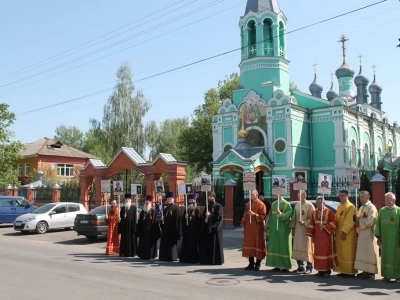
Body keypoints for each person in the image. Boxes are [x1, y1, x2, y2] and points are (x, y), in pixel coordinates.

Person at [306, 196, 338, 278]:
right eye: (318, 203)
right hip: (317, 237)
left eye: (320, 203)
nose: (319, 204)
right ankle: (320, 270)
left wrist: (325, 226)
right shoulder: (314, 212)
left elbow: (334, 222)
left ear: (324, 203)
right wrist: (312, 235)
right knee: (318, 253)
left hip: (326, 237)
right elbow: (312, 224)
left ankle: (327, 271)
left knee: (326, 253)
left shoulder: (329, 212)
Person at [374, 192, 400, 282]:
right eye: (385, 199)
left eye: (388, 199)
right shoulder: (382, 210)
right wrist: (378, 237)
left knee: (396, 257)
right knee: (385, 256)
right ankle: (386, 275)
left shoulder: (399, 211)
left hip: (396, 239)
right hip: (385, 239)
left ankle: (398, 276)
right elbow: (378, 224)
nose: (386, 201)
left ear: (393, 200)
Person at [354, 190, 379, 280]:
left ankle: (371, 272)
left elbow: (370, 221)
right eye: (360, 196)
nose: (360, 198)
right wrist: (356, 219)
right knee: (363, 252)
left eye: (362, 196)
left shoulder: (372, 207)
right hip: (362, 234)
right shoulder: (361, 207)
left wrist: (359, 220)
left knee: (369, 252)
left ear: (368, 197)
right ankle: (365, 270)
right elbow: (359, 218)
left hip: (369, 234)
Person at [241, 190, 267, 271]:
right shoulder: (248, 204)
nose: (251, 196)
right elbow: (245, 215)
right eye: (250, 194)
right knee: (250, 244)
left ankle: (258, 264)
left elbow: (263, 216)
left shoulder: (261, 204)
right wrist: (244, 225)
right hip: (249, 228)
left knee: (258, 244)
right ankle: (251, 263)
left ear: (257, 195)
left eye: (253, 194)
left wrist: (254, 214)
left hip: (258, 228)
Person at [265, 194, 292, 272]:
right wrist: (269, 227)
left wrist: (280, 215)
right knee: (275, 246)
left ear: (281, 194)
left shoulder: (287, 204)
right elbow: (270, 217)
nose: (274, 194)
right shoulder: (274, 204)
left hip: (283, 230)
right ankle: (277, 265)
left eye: (276, 193)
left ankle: (285, 266)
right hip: (274, 230)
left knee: (283, 247)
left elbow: (288, 216)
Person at [334, 190, 357, 277]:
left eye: (343, 195)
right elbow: (336, 218)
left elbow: (350, 221)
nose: (341, 197)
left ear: (347, 196)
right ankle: (342, 270)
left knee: (348, 252)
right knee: (341, 251)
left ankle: (349, 271)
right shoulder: (339, 206)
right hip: (339, 231)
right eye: (340, 195)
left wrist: (344, 232)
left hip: (348, 233)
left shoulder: (351, 206)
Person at [291, 190, 315, 274]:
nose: (298, 196)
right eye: (298, 195)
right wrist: (293, 228)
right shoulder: (297, 206)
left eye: (300, 195)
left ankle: (309, 267)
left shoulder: (310, 205)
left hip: (306, 230)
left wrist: (305, 222)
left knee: (307, 248)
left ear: (304, 196)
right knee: (298, 247)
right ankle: (300, 266)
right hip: (298, 230)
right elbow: (294, 217)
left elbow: (312, 218)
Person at [199, 191, 224, 265]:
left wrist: (210, 216)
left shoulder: (218, 206)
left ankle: (215, 261)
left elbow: (219, 218)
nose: (209, 198)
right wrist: (205, 219)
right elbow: (203, 217)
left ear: (214, 197)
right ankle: (207, 260)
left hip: (214, 229)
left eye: (211, 196)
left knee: (215, 245)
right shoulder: (207, 206)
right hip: (207, 229)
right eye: (209, 196)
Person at [159, 192, 181, 261]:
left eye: (170, 199)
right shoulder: (166, 208)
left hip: (172, 229)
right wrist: (162, 220)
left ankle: (172, 257)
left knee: (172, 245)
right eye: (168, 199)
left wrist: (177, 230)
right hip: (166, 230)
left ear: (173, 199)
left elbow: (178, 220)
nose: (169, 200)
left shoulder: (176, 208)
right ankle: (165, 257)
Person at [180, 194, 202, 263]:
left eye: (192, 200)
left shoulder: (197, 210)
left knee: (193, 246)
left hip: (194, 232)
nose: (191, 201)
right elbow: (182, 221)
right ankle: (185, 258)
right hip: (187, 231)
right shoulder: (187, 210)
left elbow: (199, 222)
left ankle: (194, 259)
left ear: (195, 201)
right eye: (190, 200)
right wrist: (185, 218)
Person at [137, 195, 158, 259]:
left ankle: (150, 255)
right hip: (143, 230)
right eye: (146, 202)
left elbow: (155, 221)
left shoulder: (153, 211)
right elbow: (140, 220)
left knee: (149, 243)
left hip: (150, 231)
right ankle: (143, 254)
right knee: (143, 243)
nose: (146, 203)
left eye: (148, 202)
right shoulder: (143, 211)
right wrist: (138, 218)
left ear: (150, 202)